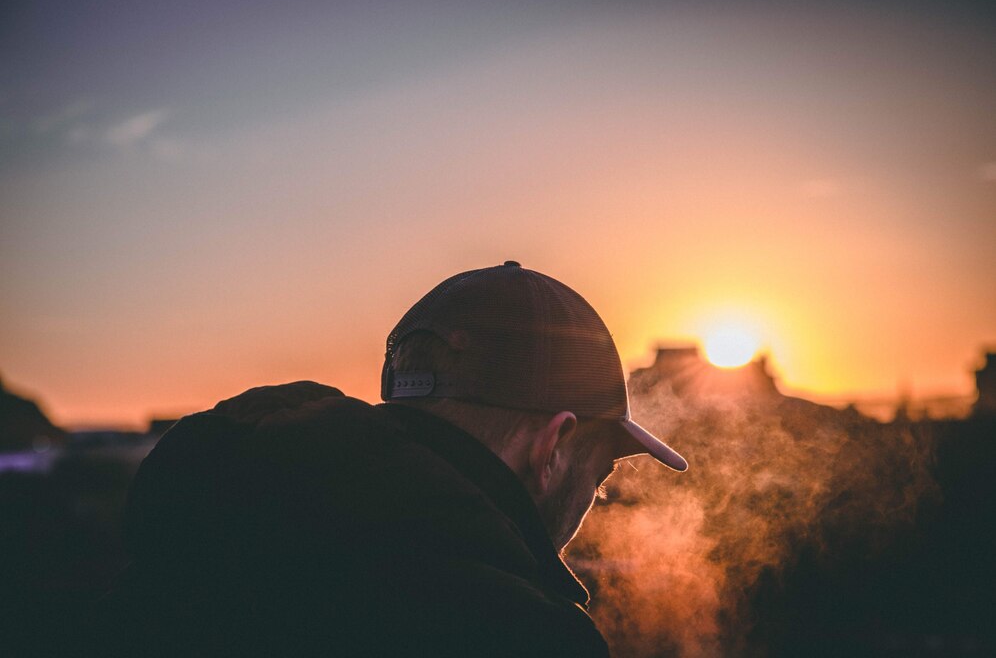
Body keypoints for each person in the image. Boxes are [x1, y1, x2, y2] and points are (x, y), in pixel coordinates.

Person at [93, 261, 687, 657]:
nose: (595, 499)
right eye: (601, 472)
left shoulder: (201, 540)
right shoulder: (519, 632)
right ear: (552, 446)